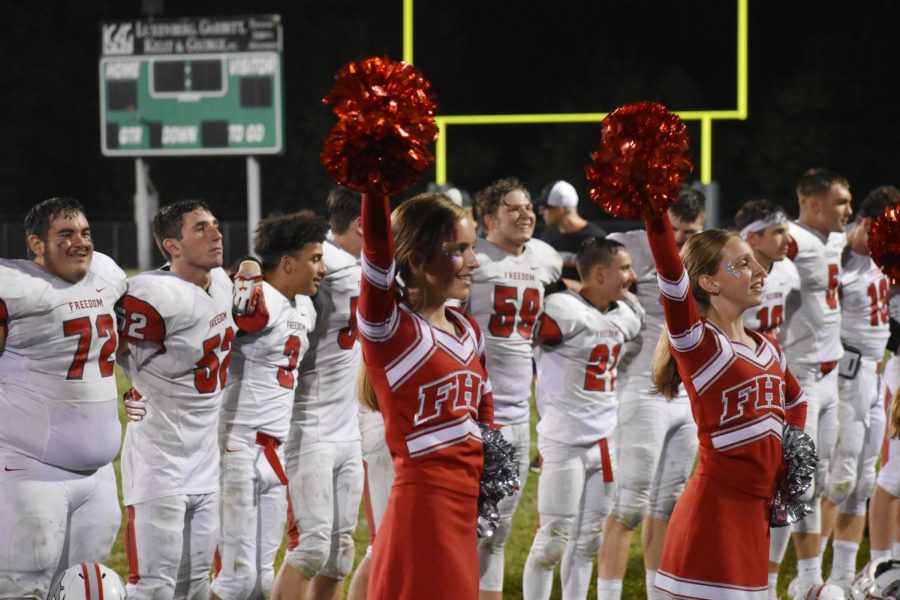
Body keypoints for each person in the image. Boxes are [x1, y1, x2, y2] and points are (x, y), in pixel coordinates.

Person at [643, 209, 807, 598]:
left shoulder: (768, 346)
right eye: (742, 265)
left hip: (756, 514)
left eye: (754, 262)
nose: (759, 272)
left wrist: (791, 457)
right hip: (712, 518)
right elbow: (671, 275)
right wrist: (655, 216)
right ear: (709, 283)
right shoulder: (700, 345)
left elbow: (796, 401)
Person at [358, 191, 493, 599]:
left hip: (464, 506)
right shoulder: (391, 332)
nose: (474, 261)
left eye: (473, 248)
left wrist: (488, 481)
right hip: (423, 511)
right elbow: (379, 256)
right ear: (416, 260)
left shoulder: (467, 330)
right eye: (459, 250)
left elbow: (483, 415)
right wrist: (374, 184)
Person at [0, 197, 126, 598]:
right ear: (36, 244)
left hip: (100, 476)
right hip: (30, 470)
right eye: (65, 235)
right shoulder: (15, 287)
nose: (80, 242)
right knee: (23, 587)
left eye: (86, 233)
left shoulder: (107, 273)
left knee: (84, 586)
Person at [117, 199, 236, 600]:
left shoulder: (222, 281)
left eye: (216, 223)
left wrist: (251, 265)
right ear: (172, 245)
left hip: (205, 462)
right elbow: (103, 348)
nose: (216, 233)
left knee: (196, 585)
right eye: (200, 228)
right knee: (153, 588)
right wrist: (134, 387)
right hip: (159, 464)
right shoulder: (152, 295)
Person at [596, 189, 706, 599]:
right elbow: (595, 284)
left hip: (686, 392)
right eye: (673, 228)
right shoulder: (628, 245)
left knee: (668, 505)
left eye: (688, 232)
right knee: (629, 505)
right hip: (641, 387)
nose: (678, 239)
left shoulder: (707, 249)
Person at [212, 211, 328, 600]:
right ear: (288, 263)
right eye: (314, 258)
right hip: (238, 445)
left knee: (261, 579)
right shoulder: (262, 300)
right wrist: (247, 265)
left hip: (272, 450)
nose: (322, 269)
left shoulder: (305, 308)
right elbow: (244, 310)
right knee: (235, 580)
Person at [522, 238, 641, 600]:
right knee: (552, 544)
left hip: (604, 442)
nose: (631, 277)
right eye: (624, 269)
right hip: (564, 442)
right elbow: (523, 337)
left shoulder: (625, 313)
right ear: (600, 273)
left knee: (588, 541)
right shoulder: (561, 309)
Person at [468, 177, 562, 599]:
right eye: (513, 208)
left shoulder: (545, 258)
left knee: (499, 528)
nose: (526, 214)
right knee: (469, 526)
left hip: (519, 413)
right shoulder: (473, 260)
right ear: (489, 218)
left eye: (529, 207)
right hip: (476, 413)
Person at [273, 190, 366, 600]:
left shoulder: (360, 266)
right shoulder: (324, 264)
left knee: (340, 551)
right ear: (364, 224)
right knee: (311, 547)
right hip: (308, 425)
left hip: (348, 425)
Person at [770, 169, 852, 596]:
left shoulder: (838, 238)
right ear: (814, 204)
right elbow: (737, 260)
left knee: (817, 478)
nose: (848, 210)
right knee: (793, 478)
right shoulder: (792, 240)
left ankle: (808, 580)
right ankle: (765, 580)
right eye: (841, 202)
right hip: (798, 375)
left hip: (831, 373)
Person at [819, 187, 899, 591]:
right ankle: (810, 576)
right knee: (839, 478)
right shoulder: (833, 252)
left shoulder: (886, 255)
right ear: (869, 225)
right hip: (841, 376)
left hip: (875, 372)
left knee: (865, 481)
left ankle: (846, 579)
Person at [736, 199, 801, 341]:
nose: (788, 240)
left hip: (771, 357)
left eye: (787, 232)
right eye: (778, 232)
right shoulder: (730, 273)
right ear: (753, 238)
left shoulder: (787, 268)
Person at [538, 180, 607, 290]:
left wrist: (566, 286)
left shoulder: (596, 239)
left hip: (585, 306)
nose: (541, 213)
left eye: (544, 208)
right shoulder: (548, 236)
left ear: (560, 210)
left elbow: (603, 286)